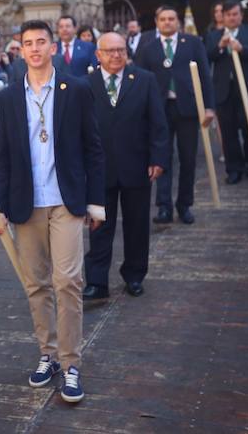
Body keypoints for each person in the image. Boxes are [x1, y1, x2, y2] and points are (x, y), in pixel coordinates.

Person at [0, 19, 104, 402]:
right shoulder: (8, 97)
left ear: (53, 47)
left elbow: (93, 147)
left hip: (66, 200)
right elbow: (4, 155)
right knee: (36, 284)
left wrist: (96, 201)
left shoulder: (75, 88)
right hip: (27, 203)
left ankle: (71, 363)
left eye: (42, 42)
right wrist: (1, 206)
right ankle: (48, 355)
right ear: (20, 50)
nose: (35, 48)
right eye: (28, 43)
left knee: (68, 281)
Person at [83, 34, 168, 301]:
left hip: (137, 165)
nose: (116, 55)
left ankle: (134, 275)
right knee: (99, 226)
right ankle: (97, 282)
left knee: (137, 225)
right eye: (109, 51)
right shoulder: (85, 85)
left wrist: (158, 158)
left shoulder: (144, 80)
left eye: (120, 50)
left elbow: (158, 123)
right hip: (99, 170)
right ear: (98, 55)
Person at [135, 5, 216, 223]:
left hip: (188, 109)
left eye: (171, 18)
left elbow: (205, 76)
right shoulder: (147, 47)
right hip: (158, 111)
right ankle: (164, 206)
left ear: (178, 21)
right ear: (156, 21)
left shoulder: (192, 43)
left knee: (188, 158)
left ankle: (184, 204)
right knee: (162, 159)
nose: (168, 22)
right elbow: (139, 81)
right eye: (163, 19)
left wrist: (209, 107)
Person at [206, 0, 248, 184]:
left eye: (235, 14)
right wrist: (221, 47)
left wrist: (243, 49)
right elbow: (207, 56)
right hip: (224, 90)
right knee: (228, 130)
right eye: (228, 15)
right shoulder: (214, 35)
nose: (232, 18)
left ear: (241, 15)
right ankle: (234, 169)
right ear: (222, 17)